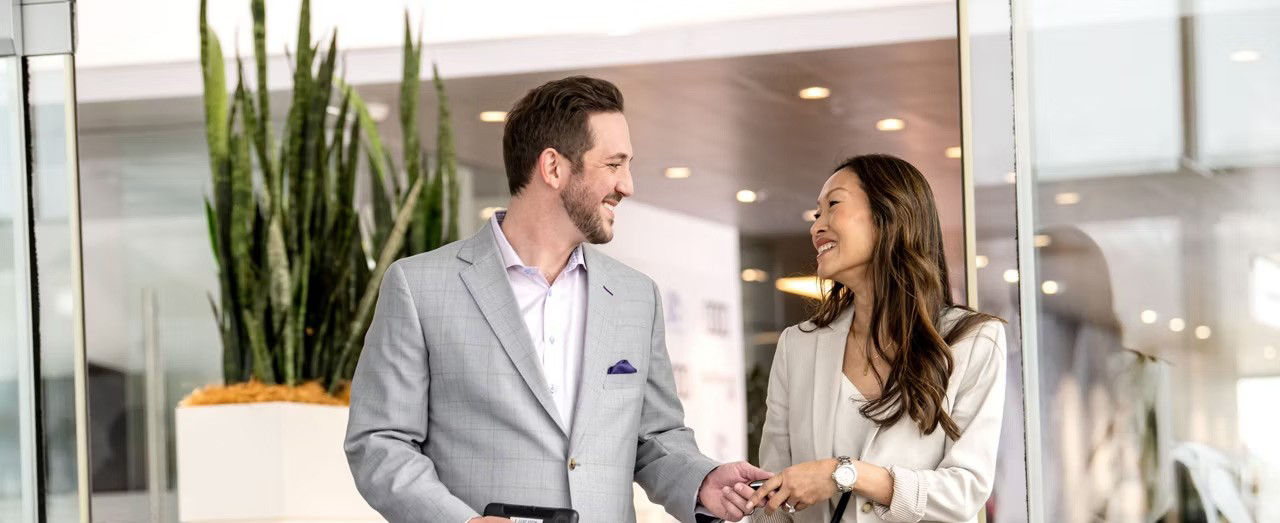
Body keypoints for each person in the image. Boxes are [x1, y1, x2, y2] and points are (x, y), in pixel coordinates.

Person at [344, 75, 770, 523]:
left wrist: (700, 479)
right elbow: (379, 442)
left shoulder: (634, 297)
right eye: (614, 164)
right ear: (553, 168)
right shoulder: (419, 286)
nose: (628, 185)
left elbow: (653, 436)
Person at [744, 154, 1007, 522]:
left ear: (890, 215)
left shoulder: (973, 341)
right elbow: (775, 506)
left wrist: (845, 473)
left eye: (832, 205)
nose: (816, 225)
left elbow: (963, 492)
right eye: (816, 213)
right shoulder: (797, 345)